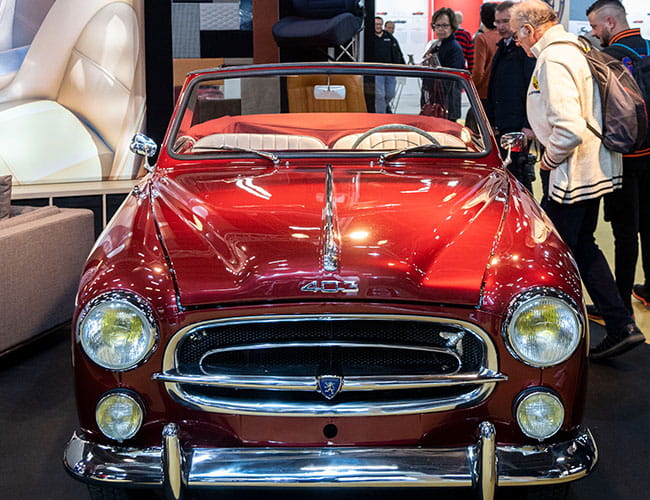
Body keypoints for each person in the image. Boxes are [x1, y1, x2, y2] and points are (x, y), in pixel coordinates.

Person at [511, 0, 646, 360]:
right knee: (582, 245)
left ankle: (549, 332)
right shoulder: (575, 48)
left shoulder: (553, 59)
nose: (516, 41)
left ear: (529, 28)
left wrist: (548, 160)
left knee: (546, 247)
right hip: (593, 168)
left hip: (573, 174)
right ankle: (621, 324)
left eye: (516, 33)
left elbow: (568, 128)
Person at [586, 0, 650, 317]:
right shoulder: (648, 48)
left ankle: (620, 305)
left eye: (596, 27)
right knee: (648, 225)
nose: (594, 33)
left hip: (624, 155)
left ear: (610, 22)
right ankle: (649, 289)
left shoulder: (605, 58)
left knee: (625, 234)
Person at [486, 1, 537, 192]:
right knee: (505, 172)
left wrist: (528, 124)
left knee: (520, 177)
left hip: (518, 127)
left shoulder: (525, 51)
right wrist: (490, 120)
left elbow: (533, 89)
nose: (501, 26)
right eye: (498, 22)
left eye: (506, 21)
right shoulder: (502, 48)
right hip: (502, 123)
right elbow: (494, 88)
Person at [422, 8, 465, 120]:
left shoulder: (454, 48)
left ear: (452, 27)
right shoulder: (436, 45)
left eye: (445, 25)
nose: (441, 29)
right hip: (437, 101)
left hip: (447, 104)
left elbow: (452, 78)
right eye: (438, 25)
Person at [372, 16, 405, 113]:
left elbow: (397, 51)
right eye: (375, 24)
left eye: (379, 24)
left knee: (390, 94)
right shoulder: (369, 37)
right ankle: (381, 116)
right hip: (376, 71)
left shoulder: (389, 37)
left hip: (390, 70)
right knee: (380, 95)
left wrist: (403, 65)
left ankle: (384, 107)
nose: (378, 26)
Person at [472, 3, 500, 106]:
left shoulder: (482, 39)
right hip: (499, 90)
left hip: (484, 91)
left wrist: (472, 87)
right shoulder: (504, 38)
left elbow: (479, 71)